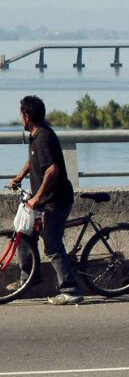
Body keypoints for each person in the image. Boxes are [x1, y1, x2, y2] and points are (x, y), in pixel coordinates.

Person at [8, 95, 84, 305]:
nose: (20, 118)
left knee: (51, 246)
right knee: (24, 233)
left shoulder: (43, 137)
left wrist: (37, 197)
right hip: (44, 200)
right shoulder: (36, 135)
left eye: (21, 114)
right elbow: (33, 159)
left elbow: (52, 170)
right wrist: (20, 176)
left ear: (27, 116)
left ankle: (71, 290)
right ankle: (30, 276)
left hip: (55, 202)